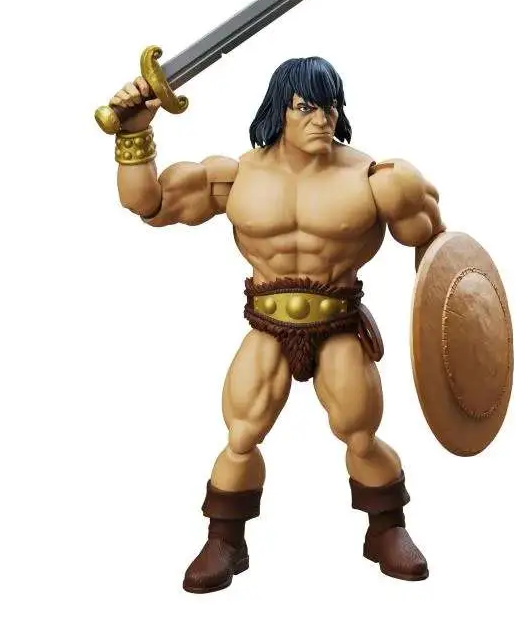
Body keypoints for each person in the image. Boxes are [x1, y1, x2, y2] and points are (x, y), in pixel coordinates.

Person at [111, 57, 445, 593]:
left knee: (359, 433)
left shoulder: (377, 180)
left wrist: (444, 327)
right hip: (268, 325)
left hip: (338, 326)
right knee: (241, 434)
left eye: (330, 106)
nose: (322, 119)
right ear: (279, 111)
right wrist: (133, 133)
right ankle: (226, 539)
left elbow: (436, 252)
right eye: (306, 107)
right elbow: (148, 202)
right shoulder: (239, 177)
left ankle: (386, 529)